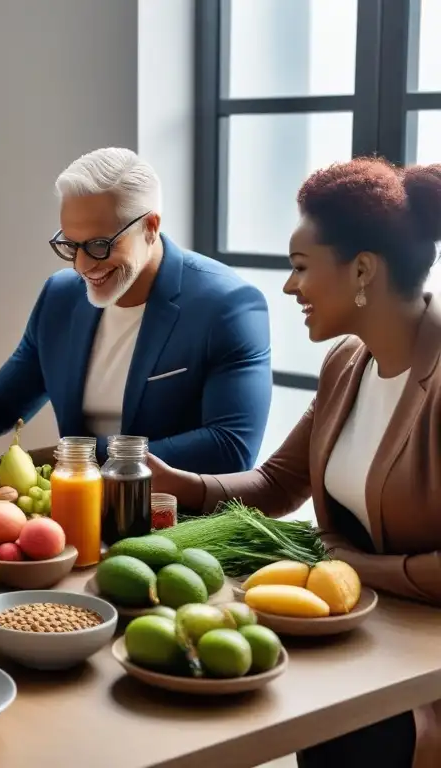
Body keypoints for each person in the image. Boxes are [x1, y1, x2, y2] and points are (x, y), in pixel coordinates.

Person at [149, 157, 441, 768]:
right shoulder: (346, 364)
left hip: (425, 667)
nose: (289, 287)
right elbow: (280, 482)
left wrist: (353, 566)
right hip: (360, 642)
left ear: (362, 270)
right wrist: (182, 483)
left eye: (301, 268)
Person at [0, 147, 272, 476]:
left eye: (99, 245)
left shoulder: (227, 306)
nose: (82, 266)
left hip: (178, 525)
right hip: (74, 516)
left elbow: (231, 447)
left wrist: (74, 455)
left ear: (150, 226)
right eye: (69, 245)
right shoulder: (61, 296)